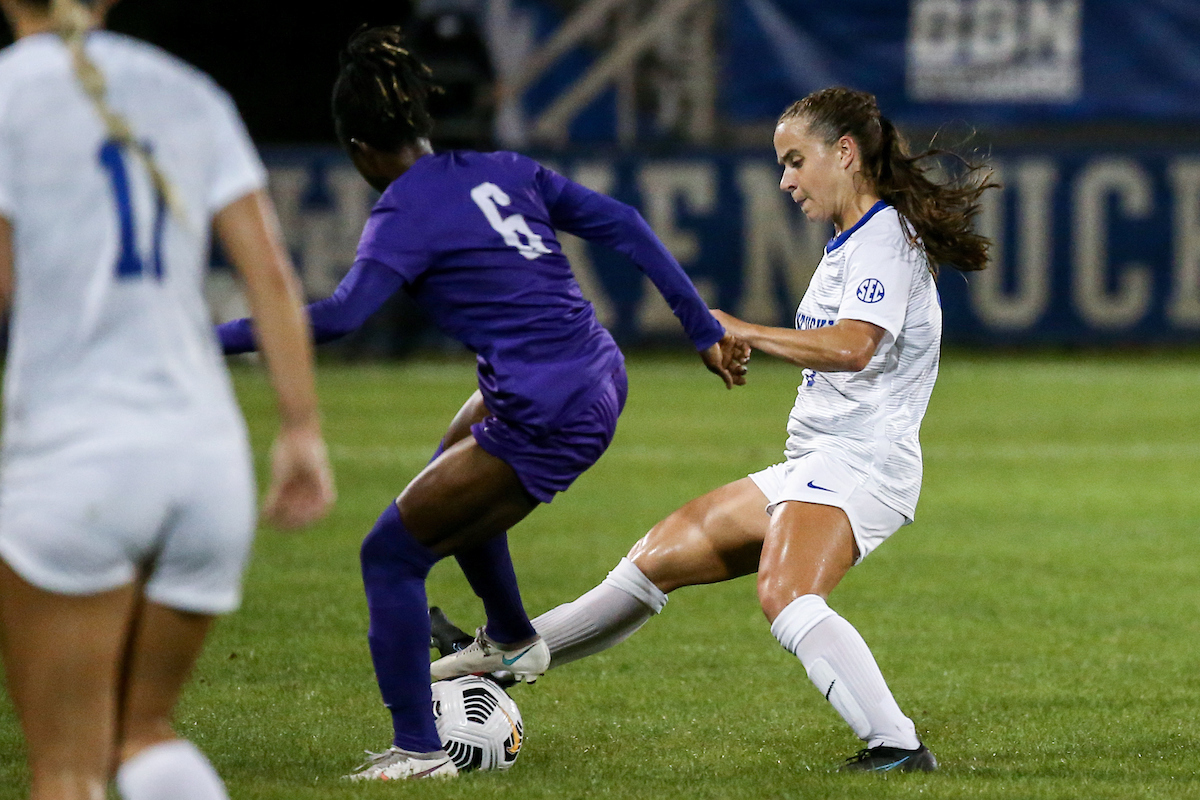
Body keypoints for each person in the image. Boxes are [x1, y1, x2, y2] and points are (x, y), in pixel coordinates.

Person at [215, 24, 746, 781]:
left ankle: (418, 752)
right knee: (449, 469)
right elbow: (625, 224)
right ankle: (508, 636)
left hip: (544, 409)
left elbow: (337, 318)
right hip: (594, 371)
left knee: (389, 555)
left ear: (360, 149)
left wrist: (206, 337)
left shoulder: (403, 211)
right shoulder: (505, 169)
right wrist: (702, 332)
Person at [432, 86, 999, 773]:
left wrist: (741, 327)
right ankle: (506, 655)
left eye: (795, 161)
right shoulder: (854, 242)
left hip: (862, 462)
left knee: (785, 592)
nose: (785, 180)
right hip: (820, 459)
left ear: (845, 153)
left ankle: (897, 745)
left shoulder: (881, 239)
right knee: (656, 559)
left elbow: (855, 347)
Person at [0, 1, 337, 799]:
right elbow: (272, 280)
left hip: (77, 459)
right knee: (140, 735)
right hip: (205, 459)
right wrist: (300, 429)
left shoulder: (10, 93)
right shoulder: (190, 92)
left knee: (68, 766)